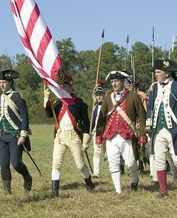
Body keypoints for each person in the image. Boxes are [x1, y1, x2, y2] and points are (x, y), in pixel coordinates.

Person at [145, 59, 177, 198]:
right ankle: (163, 191)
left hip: (175, 129)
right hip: (158, 129)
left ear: (167, 73)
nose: (156, 75)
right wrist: (149, 121)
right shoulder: (154, 88)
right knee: (159, 159)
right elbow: (150, 106)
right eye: (156, 72)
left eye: (158, 72)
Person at [44, 69, 95, 197]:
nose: (62, 88)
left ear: (71, 87)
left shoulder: (78, 102)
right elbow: (49, 114)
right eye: (61, 86)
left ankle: (89, 184)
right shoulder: (58, 102)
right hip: (60, 136)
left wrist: (86, 138)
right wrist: (46, 99)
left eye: (65, 86)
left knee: (80, 164)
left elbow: (86, 121)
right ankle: (54, 192)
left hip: (74, 135)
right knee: (56, 163)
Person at [95, 70, 147, 194]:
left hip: (127, 135)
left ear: (123, 81)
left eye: (116, 81)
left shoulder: (133, 97)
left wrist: (142, 134)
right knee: (113, 163)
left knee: (130, 163)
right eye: (112, 81)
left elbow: (142, 117)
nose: (114, 84)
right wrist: (98, 135)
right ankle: (118, 190)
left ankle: (134, 179)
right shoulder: (108, 98)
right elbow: (101, 119)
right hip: (111, 135)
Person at [0, 69, 33, 195]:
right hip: (1, 136)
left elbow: (25, 117)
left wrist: (23, 135)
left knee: (16, 163)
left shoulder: (17, 97)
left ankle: (27, 177)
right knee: (3, 164)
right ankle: (6, 190)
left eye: (4, 82)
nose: (2, 85)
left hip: (15, 136)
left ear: (10, 82)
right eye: (0, 83)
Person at [90, 80, 106, 178]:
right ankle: (96, 172)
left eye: (100, 94)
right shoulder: (95, 106)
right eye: (97, 94)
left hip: (106, 131)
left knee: (109, 153)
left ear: (104, 94)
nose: (99, 96)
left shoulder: (107, 105)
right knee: (97, 152)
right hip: (96, 132)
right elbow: (93, 120)